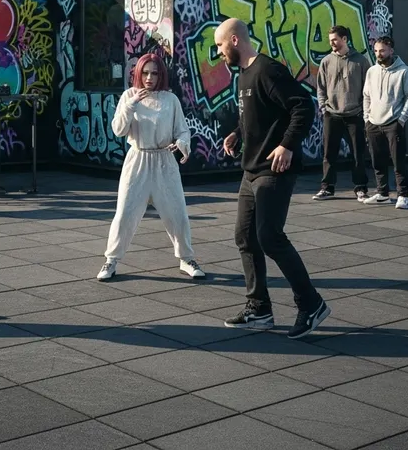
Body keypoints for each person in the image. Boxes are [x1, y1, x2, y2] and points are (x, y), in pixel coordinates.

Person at [215, 18, 330, 339]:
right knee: (245, 237)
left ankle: (311, 304)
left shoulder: (268, 70)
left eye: (220, 45)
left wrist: (286, 145)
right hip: (250, 170)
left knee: (270, 237)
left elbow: (302, 107)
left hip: (274, 170)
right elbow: (256, 115)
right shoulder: (243, 75)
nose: (219, 52)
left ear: (235, 40)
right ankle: (259, 308)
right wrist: (237, 133)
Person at [97, 53, 205, 281]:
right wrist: (131, 105)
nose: (149, 77)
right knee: (125, 213)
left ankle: (186, 258)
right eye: (145, 72)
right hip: (138, 160)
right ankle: (111, 260)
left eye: (154, 73)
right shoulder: (128, 96)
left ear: (161, 75)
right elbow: (118, 129)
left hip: (164, 161)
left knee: (177, 213)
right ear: (137, 73)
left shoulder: (170, 99)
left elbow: (182, 130)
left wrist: (183, 144)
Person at [313, 25, 371, 202]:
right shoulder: (326, 61)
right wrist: (323, 107)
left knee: (357, 153)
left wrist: (364, 110)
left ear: (345, 39)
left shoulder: (361, 61)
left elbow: (368, 88)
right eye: (330, 40)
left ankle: (361, 188)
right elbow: (321, 87)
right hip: (332, 114)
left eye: (334, 40)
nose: (331, 43)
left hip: (355, 114)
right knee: (329, 154)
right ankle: (327, 188)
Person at [363, 36, 408, 209]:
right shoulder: (372, 71)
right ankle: (382, 193)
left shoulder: (404, 71)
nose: (379, 54)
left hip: (393, 123)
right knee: (377, 160)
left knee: (398, 161)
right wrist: (366, 118)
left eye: (382, 51)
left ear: (391, 50)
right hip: (373, 123)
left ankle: (403, 195)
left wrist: (401, 119)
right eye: (376, 51)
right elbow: (366, 95)